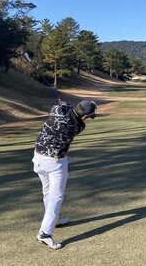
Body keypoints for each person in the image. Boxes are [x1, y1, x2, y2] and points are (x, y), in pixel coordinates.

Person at [32, 99, 98, 249]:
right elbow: (73, 115)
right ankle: (45, 233)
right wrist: (66, 105)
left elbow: (62, 107)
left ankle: (54, 219)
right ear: (84, 116)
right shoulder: (77, 126)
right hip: (54, 163)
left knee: (47, 192)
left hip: (38, 158)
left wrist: (64, 104)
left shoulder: (57, 110)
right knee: (56, 197)